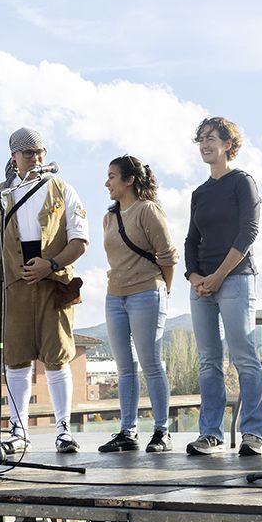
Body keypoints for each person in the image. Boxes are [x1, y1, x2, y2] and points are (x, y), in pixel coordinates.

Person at [0, 126, 88, 454]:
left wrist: (52, 263)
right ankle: (19, 431)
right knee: (16, 360)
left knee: (59, 357)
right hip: (12, 288)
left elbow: (79, 240)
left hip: (54, 283)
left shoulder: (62, 189)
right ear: (14, 156)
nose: (36, 158)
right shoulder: (0, 196)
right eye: (29, 152)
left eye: (40, 152)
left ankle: (63, 429)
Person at [184, 117, 262, 456]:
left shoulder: (242, 182)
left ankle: (252, 433)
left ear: (228, 144)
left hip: (235, 278)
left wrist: (218, 275)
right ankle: (210, 433)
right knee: (208, 361)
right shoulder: (199, 193)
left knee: (244, 358)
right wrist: (194, 277)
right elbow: (191, 240)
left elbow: (248, 232)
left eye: (213, 138)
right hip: (201, 285)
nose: (205, 144)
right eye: (201, 138)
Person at [99, 155, 178, 454]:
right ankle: (127, 432)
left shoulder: (148, 211)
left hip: (146, 293)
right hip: (114, 296)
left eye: (112, 176)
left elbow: (168, 257)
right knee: (124, 368)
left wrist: (163, 292)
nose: (107, 183)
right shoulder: (108, 217)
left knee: (151, 364)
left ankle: (162, 431)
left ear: (129, 179)